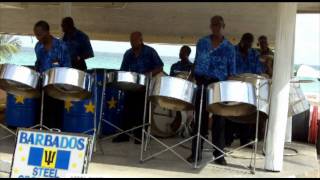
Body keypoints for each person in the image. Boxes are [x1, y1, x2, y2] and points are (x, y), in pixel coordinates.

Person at [187, 15, 236, 165]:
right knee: (200, 120)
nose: (216, 27)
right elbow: (196, 62)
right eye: (213, 24)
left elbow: (231, 72)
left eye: (219, 25)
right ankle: (196, 153)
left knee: (219, 122)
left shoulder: (229, 47)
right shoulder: (202, 42)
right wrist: (190, 80)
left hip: (218, 85)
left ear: (223, 26)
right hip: (202, 83)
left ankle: (219, 154)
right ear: (210, 26)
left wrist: (226, 90)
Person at [112, 31, 164, 144]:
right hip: (131, 86)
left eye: (135, 40)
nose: (132, 43)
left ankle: (140, 136)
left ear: (141, 40)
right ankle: (124, 135)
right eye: (131, 41)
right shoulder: (128, 54)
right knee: (127, 110)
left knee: (142, 111)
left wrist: (148, 74)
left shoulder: (150, 51)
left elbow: (160, 66)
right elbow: (123, 70)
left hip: (144, 86)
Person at [225, 33, 264, 147]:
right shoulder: (232, 51)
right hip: (234, 85)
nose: (247, 46)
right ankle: (228, 139)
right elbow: (227, 67)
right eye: (245, 43)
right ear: (241, 41)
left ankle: (245, 140)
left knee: (246, 111)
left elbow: (258, 70)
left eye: (249, 44)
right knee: (231, 111)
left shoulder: (254, 54)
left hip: (248, 86)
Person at [33, 20, 71, 129]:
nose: (37, 38)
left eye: (39, 34)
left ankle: (55, 134)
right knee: (40, 111)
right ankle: (41, 133)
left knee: (56, 113)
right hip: (42, 84)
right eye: (36, 35)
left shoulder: (61, 46)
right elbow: (38, 62)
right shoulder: (38, 47)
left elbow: (67, 67)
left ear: (47, 32)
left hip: (57, 85)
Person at [169, 45, 194, 132]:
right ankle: (178, 125)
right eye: (180, 51)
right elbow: (170, 79)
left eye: (182, 52)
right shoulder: (174, 66)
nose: (180, 53)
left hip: (186, 93)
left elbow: (193, 81)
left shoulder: (192, 67)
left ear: (187, 54)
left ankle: (185, 125)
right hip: (175, 91)